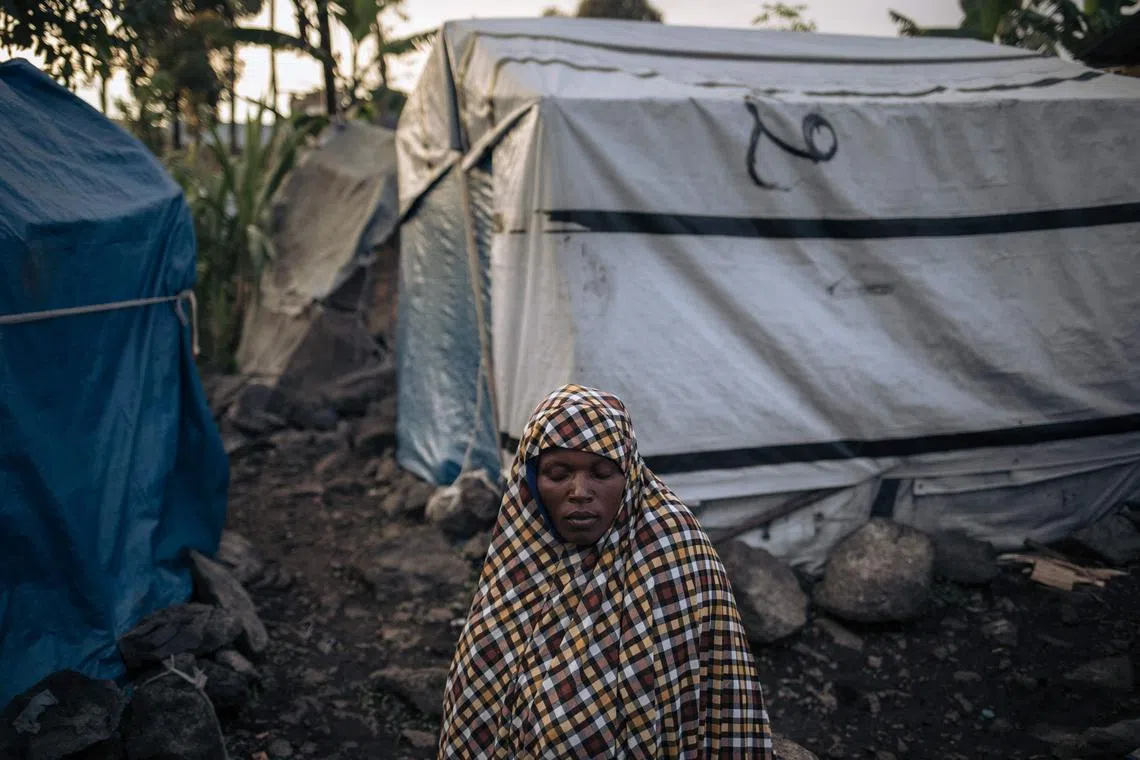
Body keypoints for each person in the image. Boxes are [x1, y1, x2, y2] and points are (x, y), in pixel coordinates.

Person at [439, 384, 774, 758]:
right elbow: (477, 694)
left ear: (629, 476)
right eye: (558, 473)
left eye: (602, 473)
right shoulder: (521, 558)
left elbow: (704, 705)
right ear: (530, 481)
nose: (580, 491)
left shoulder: (673, 556)